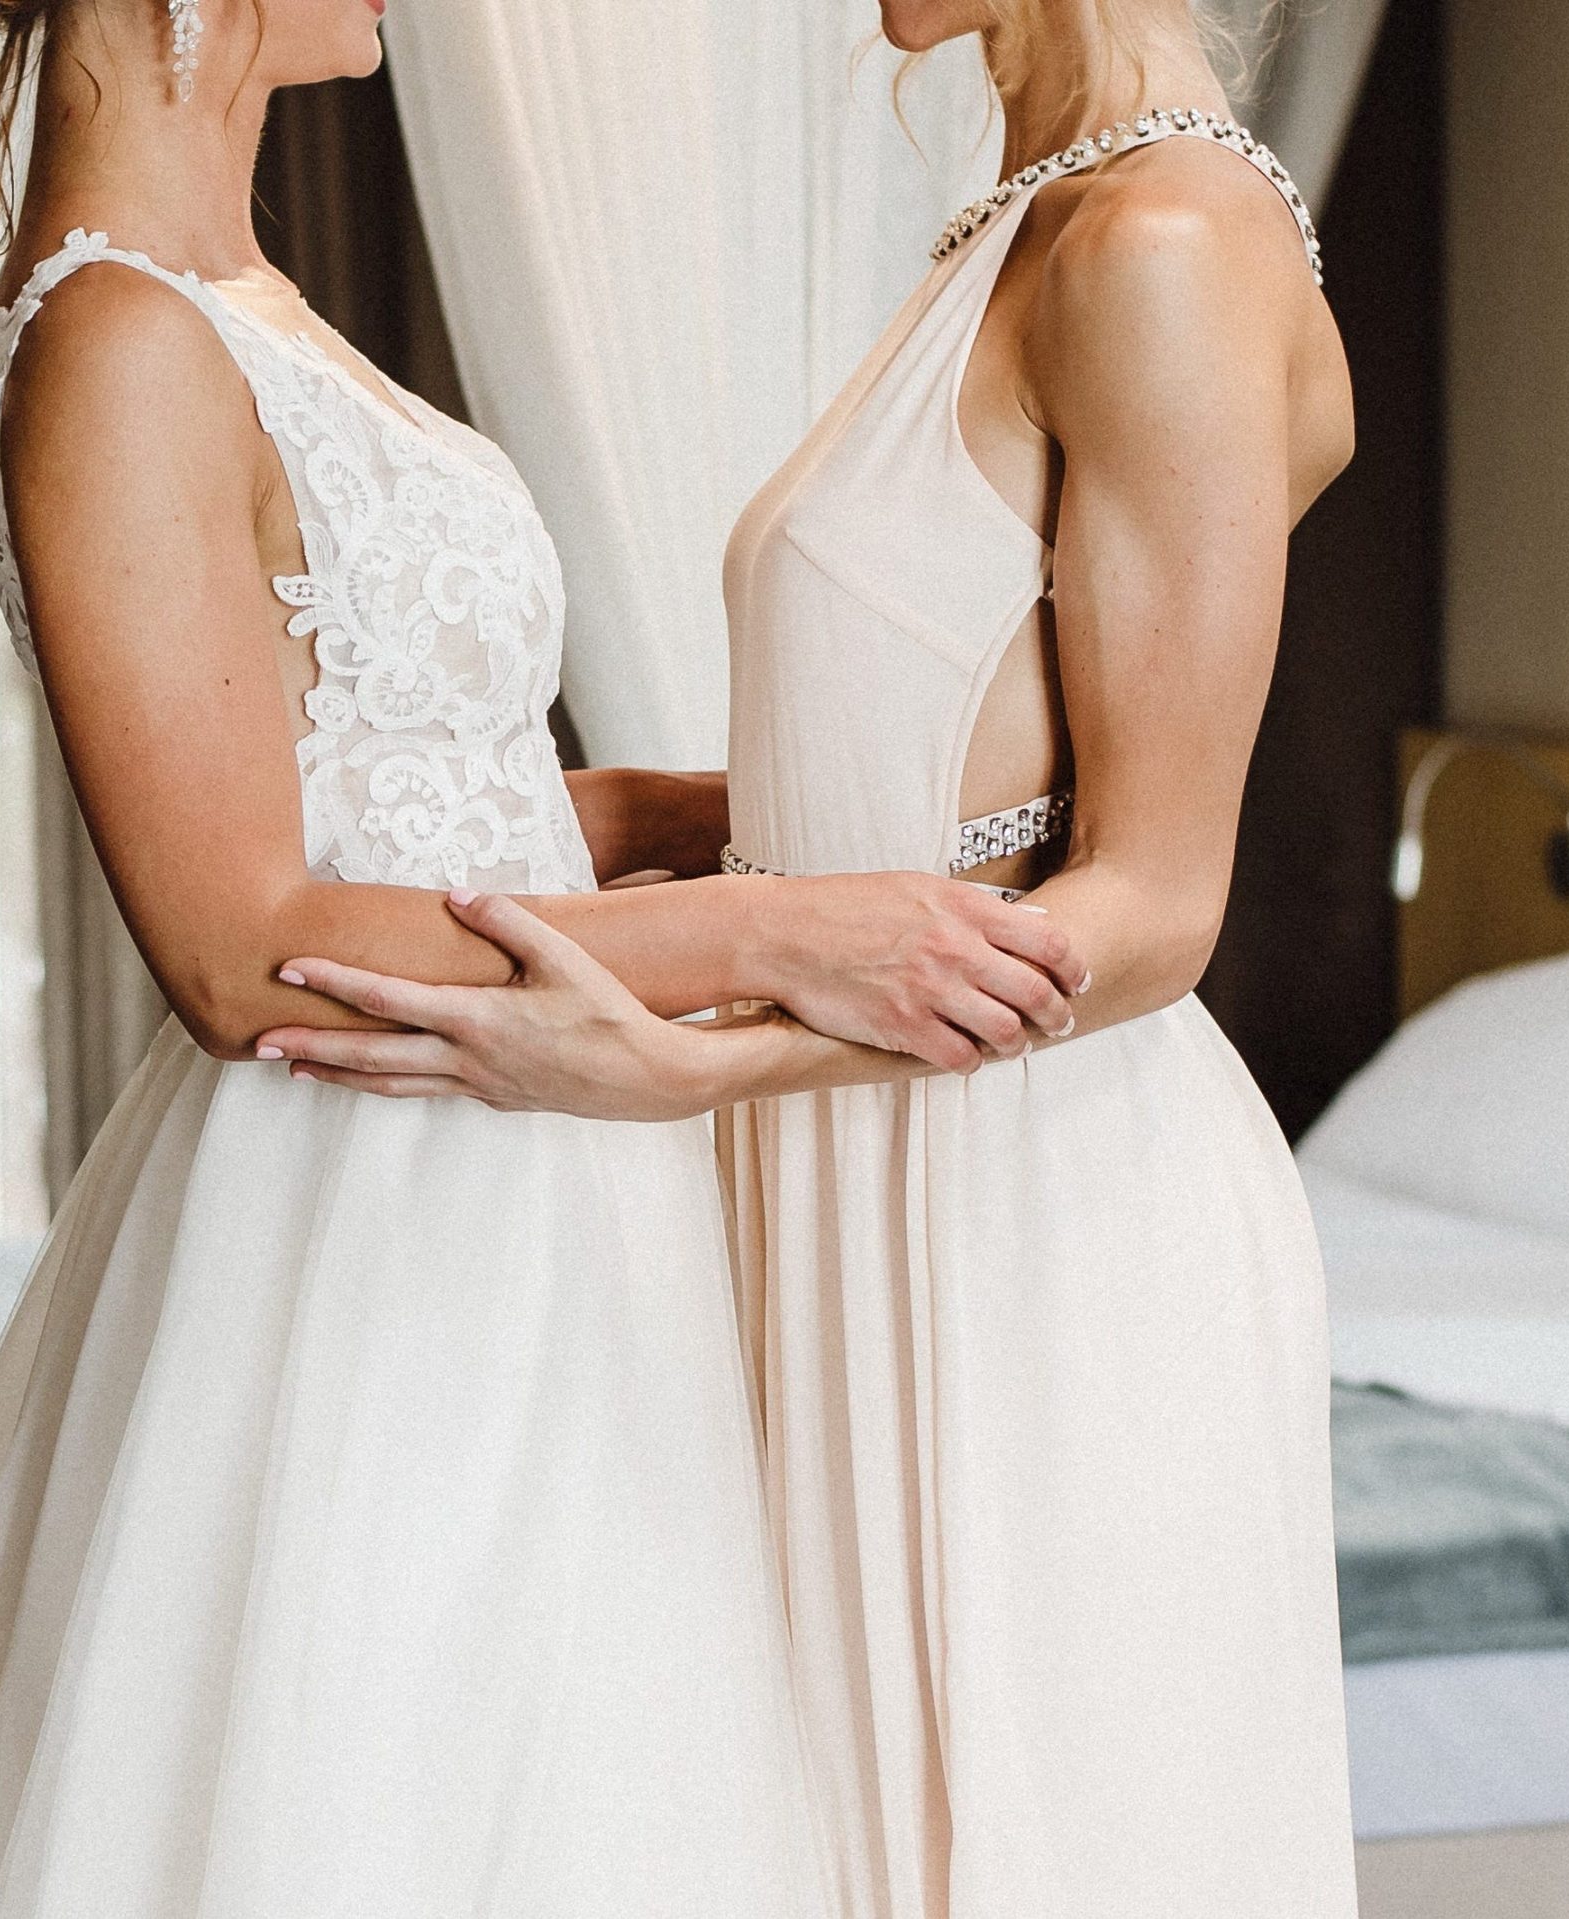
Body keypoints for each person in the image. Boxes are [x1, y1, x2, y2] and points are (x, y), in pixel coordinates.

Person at [0, 1, 1090, 1913]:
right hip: (368, 1215)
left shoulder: (234, 288)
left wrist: (774, 810)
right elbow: (246, 945)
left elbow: (432, 803)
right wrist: (778, 931)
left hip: (551, 1173)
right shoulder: (116, 339)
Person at [253, 0, 1364, 1910]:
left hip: (1021, 1197)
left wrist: (706, 1062)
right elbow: (946, 763)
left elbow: (1155, 903)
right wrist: (618, 828)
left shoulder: (1164, 245)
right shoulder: (1026, 219)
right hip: (871, 1141)